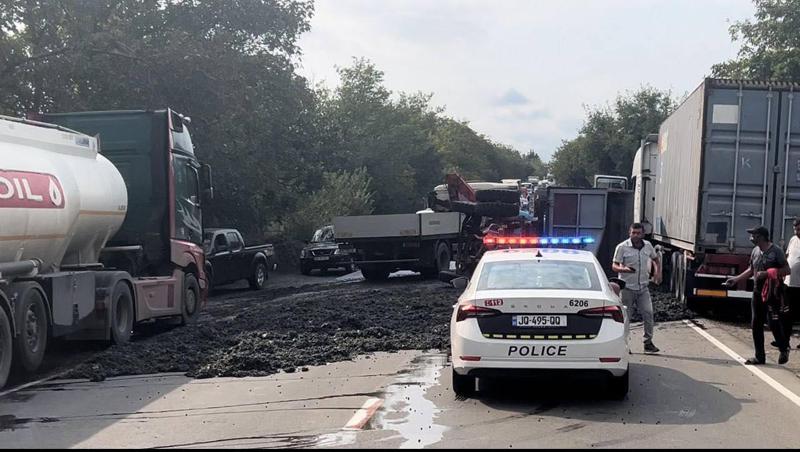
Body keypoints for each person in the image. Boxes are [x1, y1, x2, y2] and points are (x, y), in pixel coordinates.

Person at [724, 226, 791, 365]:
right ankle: (759, 356)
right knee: (756, 323)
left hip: (772, 291)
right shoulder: (755, 251)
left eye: (753, 235)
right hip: (757, 291)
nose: (751, 238)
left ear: (761, 237)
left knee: (773, 322)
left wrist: (768, 273)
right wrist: (736, 279)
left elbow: (787, 270)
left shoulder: (776, 251)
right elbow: (751, 270)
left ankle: (784, 348)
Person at [612, 223, 662, 353]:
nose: (635, 235)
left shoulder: (648, 246)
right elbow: (614, 266)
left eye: (638, 233)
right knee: (626, 318)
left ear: (643, 234)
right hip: (627, 288)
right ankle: (624, 344)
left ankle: (648, 343)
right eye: (633, 233)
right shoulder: (622, 247)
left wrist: (657, 272)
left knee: (648, 313)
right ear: (629, 233)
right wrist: (624, 269)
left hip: (643, 288)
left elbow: (656, 260)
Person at [782, 218, 800, 349]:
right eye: (795, 229)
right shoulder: (793, 240)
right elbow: (787, 257)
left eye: (799, 229)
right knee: (787, 314)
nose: (797, 231)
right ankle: (785, 341)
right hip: (789, 284)